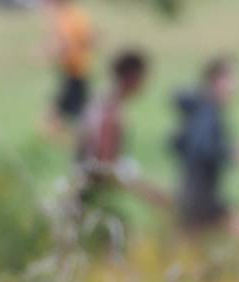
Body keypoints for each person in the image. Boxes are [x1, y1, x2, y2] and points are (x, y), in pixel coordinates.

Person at [71, 48, 167, 222]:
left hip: (86, 191)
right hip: (92, 199)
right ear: (131, 77)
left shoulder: (102, 100)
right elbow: (103, 166)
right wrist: (146, 192)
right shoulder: (111, 111)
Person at [171, 57, 239, 240]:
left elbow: (177, 144)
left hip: (191, 193)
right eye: (232, 80)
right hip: (202, 198)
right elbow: (204, 148)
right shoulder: (209, 112)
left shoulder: (200, 109)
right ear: (217, 81)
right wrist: (233, 152)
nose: (236, 86)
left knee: (189, 248)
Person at [44, 0, 96, 137]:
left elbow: (66, 44)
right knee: (77, 111)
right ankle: (78, 140)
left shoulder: (67, 17)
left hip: (75, 71)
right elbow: (90, 38)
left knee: (58, 113)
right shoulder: (76, 15)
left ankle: (76, 142)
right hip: (78, 70)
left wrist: (50, 52)